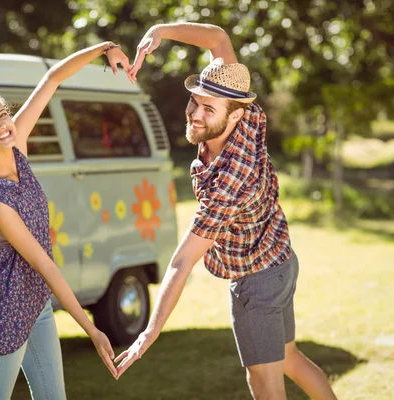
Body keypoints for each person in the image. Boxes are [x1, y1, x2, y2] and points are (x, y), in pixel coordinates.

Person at [115, 23, 338, 400]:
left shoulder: (231, 181)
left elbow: (181, 262)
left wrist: (149, 332)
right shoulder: (244, 111)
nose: (194, 115)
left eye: (207, 109)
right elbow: (217, 38)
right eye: (194, 102)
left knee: (265, 385)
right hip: (280, 260)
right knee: (289, 359)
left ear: (234, 116)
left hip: (258, 280)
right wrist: (160, 30)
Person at [0, 41, 130, 399]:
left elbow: (52, 78)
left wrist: (106, 48)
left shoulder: (16, 145)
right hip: (4, 312)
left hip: (35, 304)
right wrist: (91, 330)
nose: (3, 124)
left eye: (2, 114)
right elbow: (45, 265)